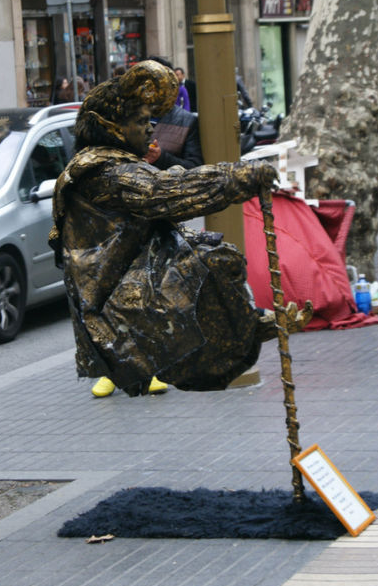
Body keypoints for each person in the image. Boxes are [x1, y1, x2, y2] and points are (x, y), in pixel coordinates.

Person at [49, 60, 312, 398]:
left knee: (218, 260)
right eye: (142, 122)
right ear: (111, 127)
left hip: (134, 279)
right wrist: (236, 177)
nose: (150, 130)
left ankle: (247, 328)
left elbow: (166, 182)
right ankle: (236, 335)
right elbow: (165, 193)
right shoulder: (104, 172)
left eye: (151, 121)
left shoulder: (114, 164)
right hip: (114, 299)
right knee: (206, 262)